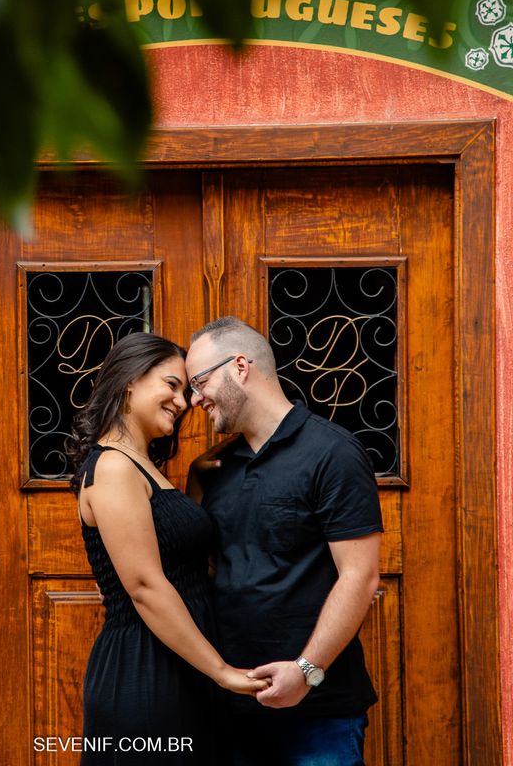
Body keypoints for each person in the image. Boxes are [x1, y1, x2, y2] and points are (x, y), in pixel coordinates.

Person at [184, 317, 383, 766]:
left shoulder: (332, 452)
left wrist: (306, 672)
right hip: (232, 710)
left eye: (199, 381)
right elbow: (205, 569)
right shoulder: (215, 469)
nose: (194, 399)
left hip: (318, 714)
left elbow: (360, 575)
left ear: (239, 366)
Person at [66, 332, 267, 764]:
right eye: (172, 385)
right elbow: (145, 586)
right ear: (129, 382)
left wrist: (191, 485)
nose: (183, 401)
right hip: (145, 670)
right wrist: (221, 672)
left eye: (188, 390)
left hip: (178, 663)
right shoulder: (114, 467)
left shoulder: (143, 466)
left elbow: (177, 557)